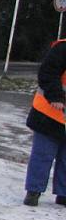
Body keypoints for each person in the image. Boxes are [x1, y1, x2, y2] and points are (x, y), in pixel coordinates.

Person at [23, 38, 66, 207]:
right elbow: (48, 73)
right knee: (43, 155)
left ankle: (63, 194)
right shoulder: (62, 48)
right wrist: (55, 96)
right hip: (49, 113)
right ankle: (33, 191)